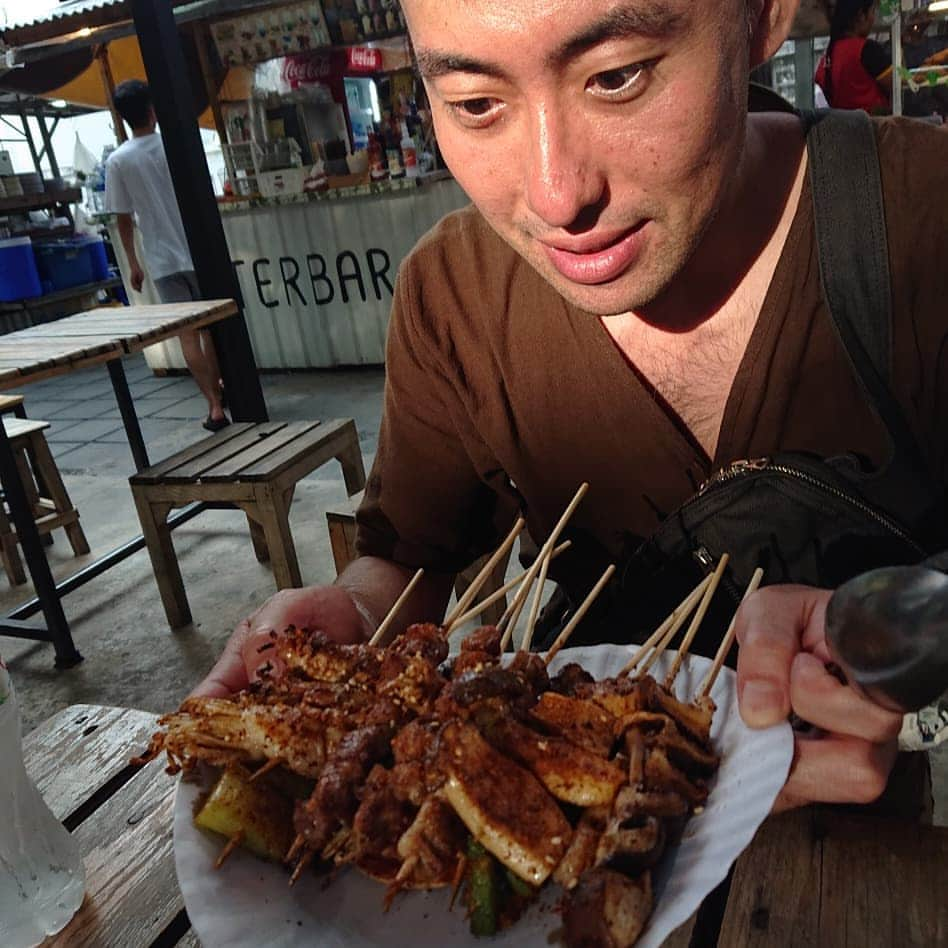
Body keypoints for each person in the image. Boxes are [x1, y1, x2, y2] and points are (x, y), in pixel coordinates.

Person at [194, 0, 947, 814]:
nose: (558, 200)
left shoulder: (924, 216)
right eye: (477, 103)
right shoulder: (455, 296)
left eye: (617, 76)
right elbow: (409, 559)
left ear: (763, 17)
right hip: (571, 859)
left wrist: (903, 632)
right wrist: (352, 612)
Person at [105, 79, 229, 432]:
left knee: (187, 335)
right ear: (152, 109)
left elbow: (123, 218)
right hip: (197, 252)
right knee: (210, 331)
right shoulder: (175, 146)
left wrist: (133, 263)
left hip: (160, 260)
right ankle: (222, 388)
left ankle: (214, 406)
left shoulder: (118, 161)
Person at [815, 0, 891, 113]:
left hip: (845, 127)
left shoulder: (826, 59)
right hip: (876, 126)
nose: (873, 19)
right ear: (861, 16)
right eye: (872, 12)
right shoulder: (867, 49)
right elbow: (897, 84)